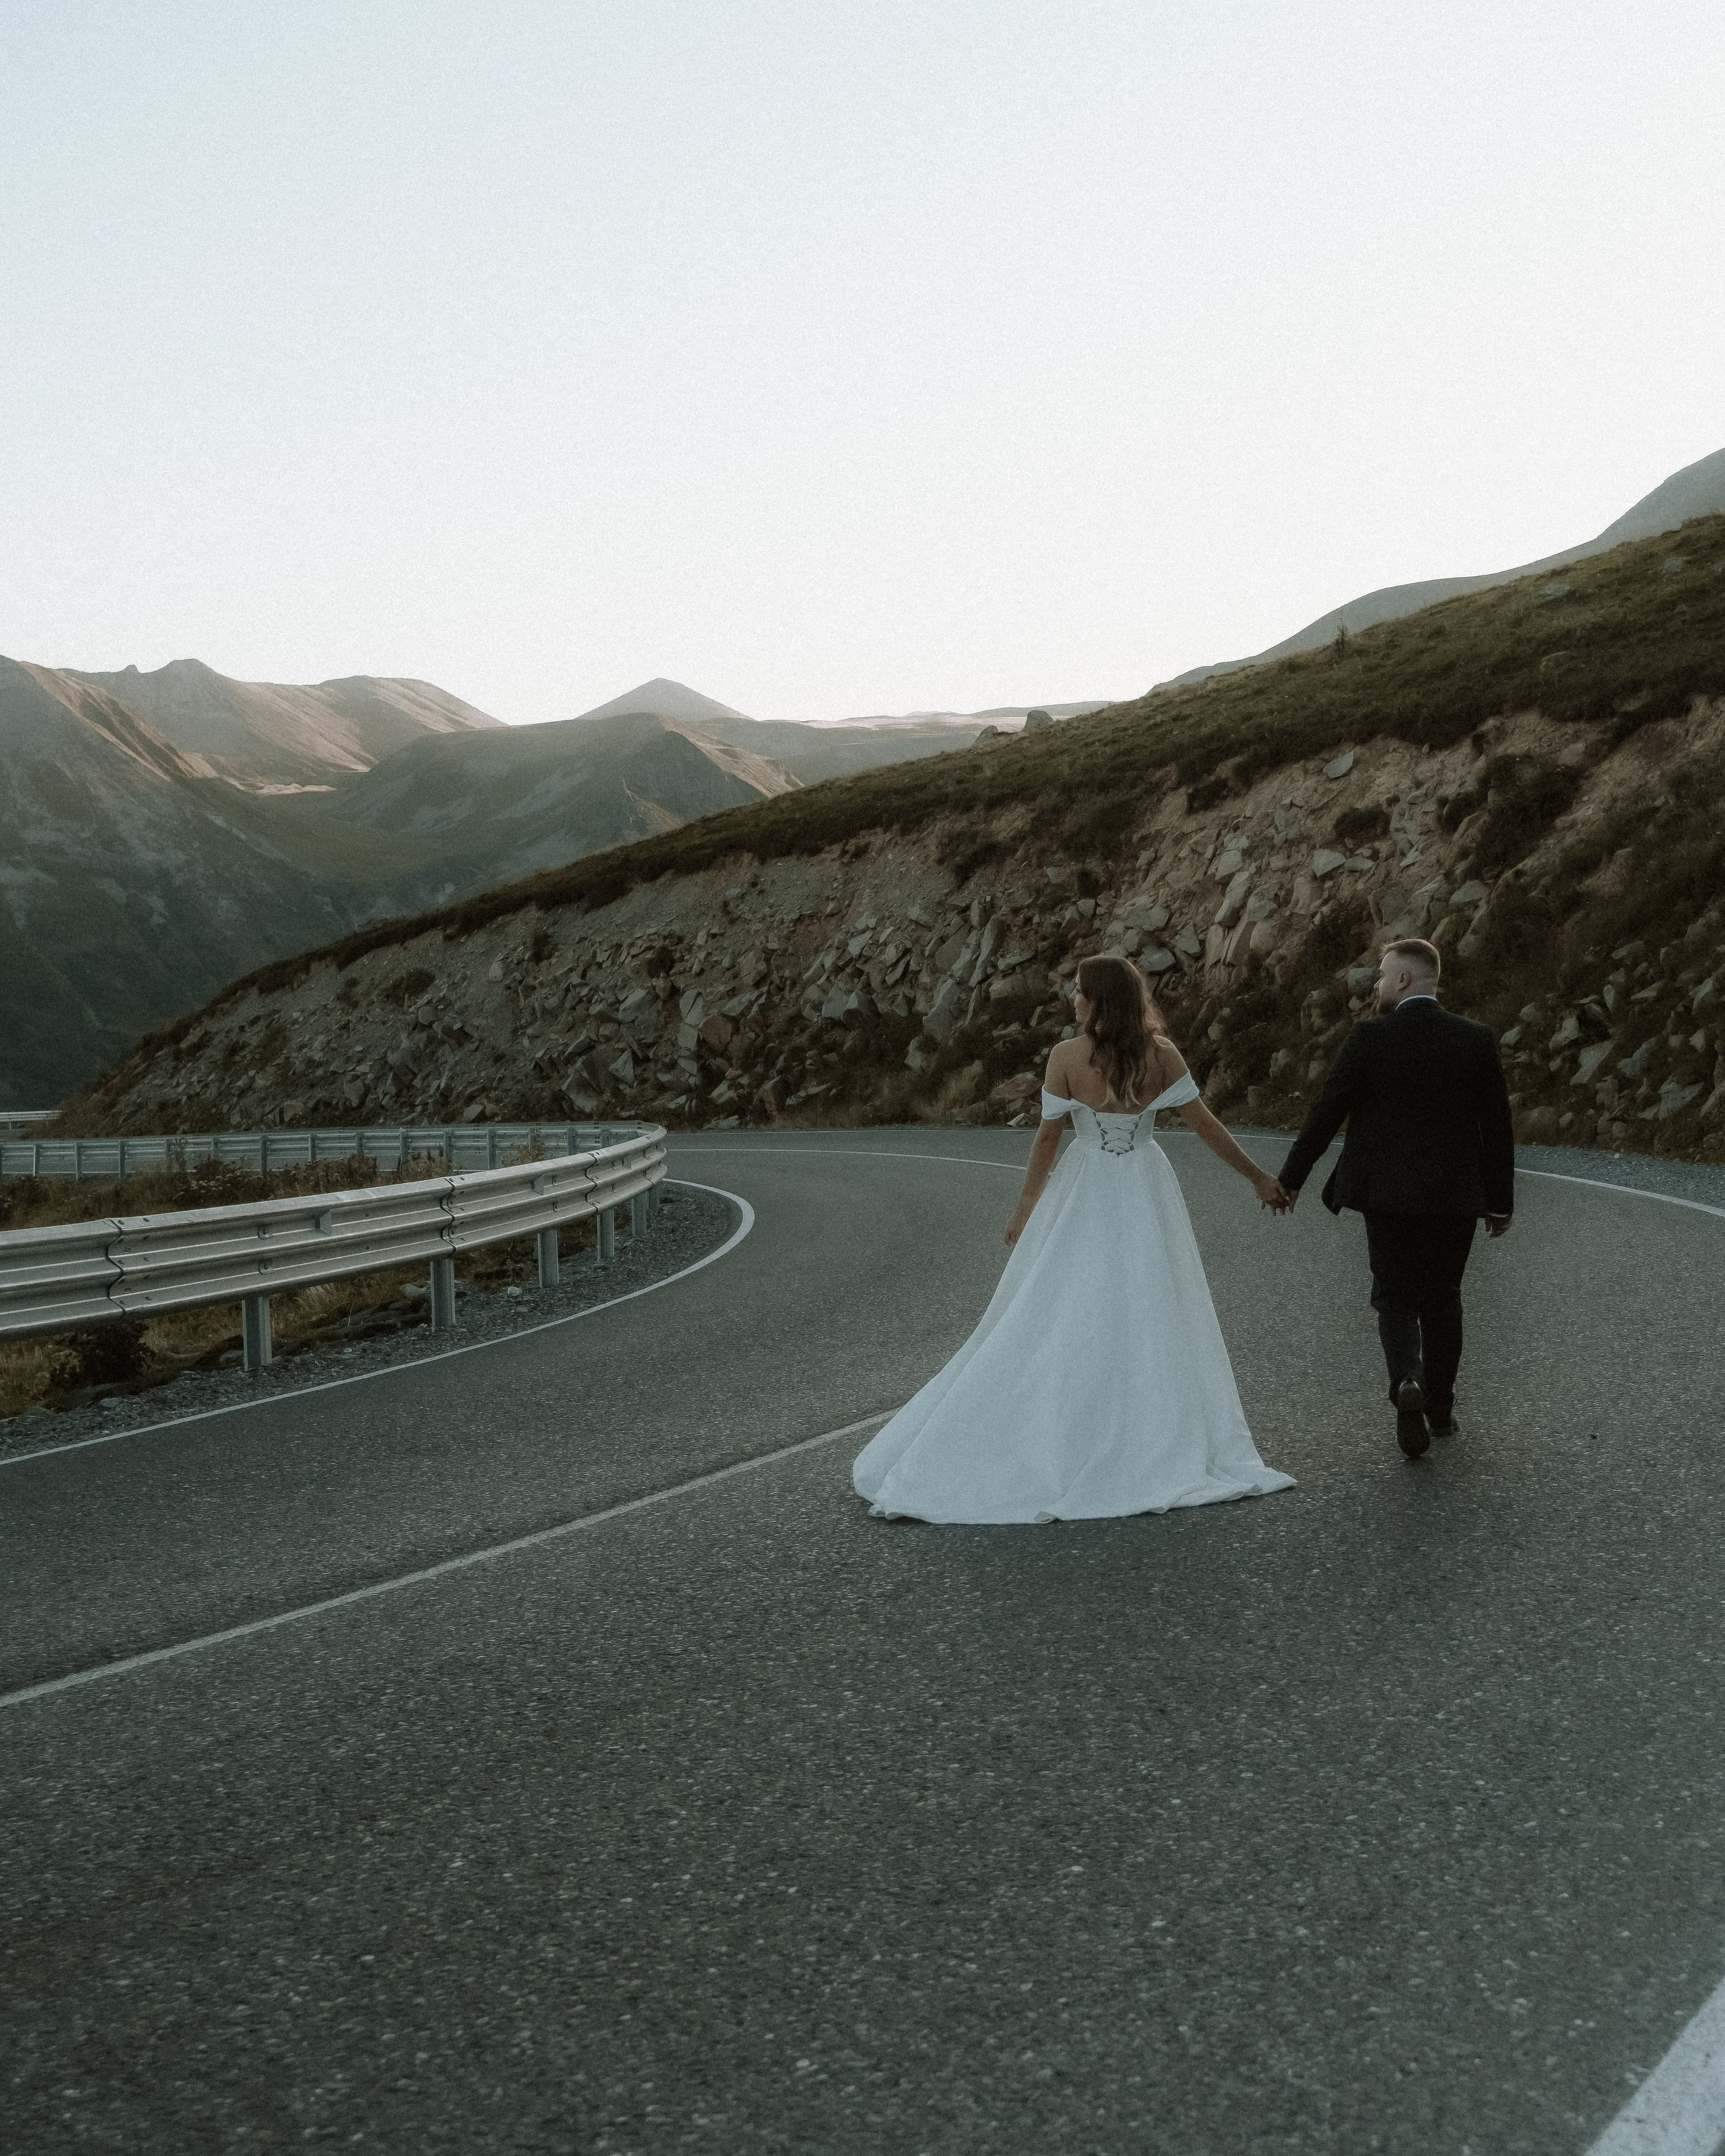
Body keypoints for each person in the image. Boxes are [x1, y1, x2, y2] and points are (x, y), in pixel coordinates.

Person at [852, 955, 1296, 1525]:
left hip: (1085, 1186)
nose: (1072, 1000)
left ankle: (1077, 1428)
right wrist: (1259, 1178)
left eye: (1080, 991)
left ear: (1099, 1001)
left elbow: (1046, 1141)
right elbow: (1204, 1124)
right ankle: (1143, 1431)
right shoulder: (1162, 1057)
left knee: (1065, 1306)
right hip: (1143, 1185)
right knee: (1146, 1306)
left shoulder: (1065, 1057)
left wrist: (1027, 1211)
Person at [1277, 936, 1513, 1459]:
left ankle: (1407, 1379)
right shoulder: (1475, 1039)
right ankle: (1441, 1409)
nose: (1377, 987)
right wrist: (1501, 1202)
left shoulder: (1369, 1038)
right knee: (1444, 1295)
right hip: (1454, 1195)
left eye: (1382, 977)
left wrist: (1291, 1179)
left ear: (1404, 979)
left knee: (1394, 1294)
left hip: (1386, 1195)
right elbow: (1497, 1127)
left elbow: (1325, 1113)